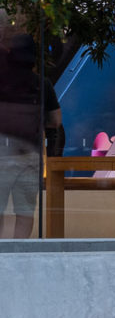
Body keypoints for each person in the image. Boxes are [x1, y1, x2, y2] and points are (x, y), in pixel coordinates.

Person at [0, 18, 44, 238]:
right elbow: (55, 119)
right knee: (25, 212)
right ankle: (20, 253)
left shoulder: (2, 80)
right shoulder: (40, 82)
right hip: (29, 152)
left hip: (3, 151)